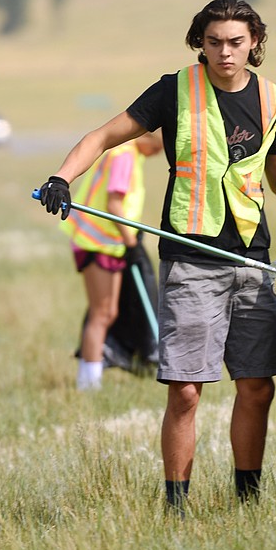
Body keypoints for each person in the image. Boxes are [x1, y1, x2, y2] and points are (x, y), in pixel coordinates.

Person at [38, 0, 276, 511]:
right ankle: (176, 507)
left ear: (254, 43)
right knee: (185, 391)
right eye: (214, 43)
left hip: (252, 263)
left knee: (257, 390)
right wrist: (61, 177)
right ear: (199, 43)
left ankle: (246, 502)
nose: (225, 53)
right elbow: (104, 136)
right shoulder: (175, 90)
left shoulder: (272, 99)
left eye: (235, 43)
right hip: (191, 259)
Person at [60, 132, 163, 391]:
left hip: (108, 244)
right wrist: (131, 242)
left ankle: (91, 376)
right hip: (97, 243)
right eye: (162, 146)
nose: (160, 154)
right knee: (101, 313)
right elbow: (114, 204)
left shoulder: (128, 153)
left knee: (109, 312)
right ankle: (88, 384)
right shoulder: (124, 155)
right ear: (153, 138)